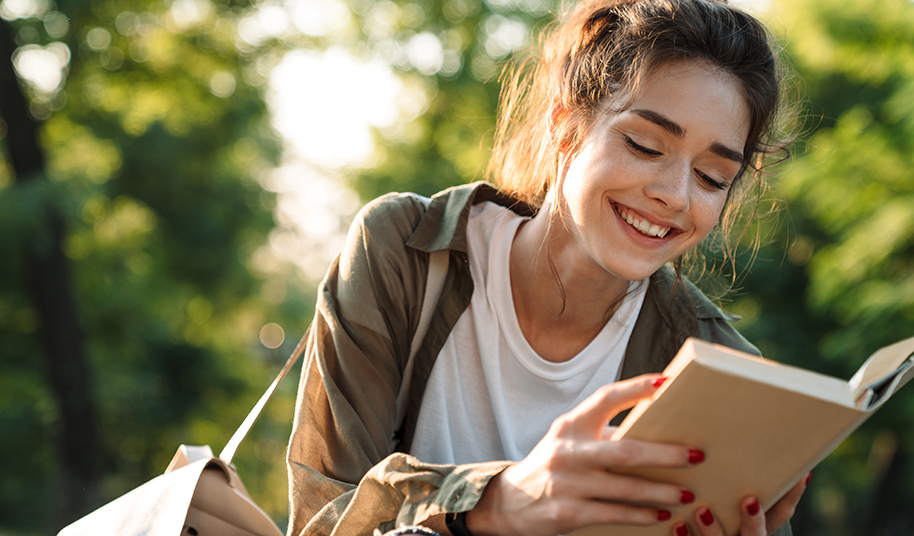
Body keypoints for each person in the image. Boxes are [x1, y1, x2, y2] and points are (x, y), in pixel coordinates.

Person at [285, 1, 808, 535]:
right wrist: (493, 504)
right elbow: (322, 517)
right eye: (644, 145)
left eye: (712, 177)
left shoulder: (716, 364)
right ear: (565, 126)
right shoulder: (406, 252)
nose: (674, 195)